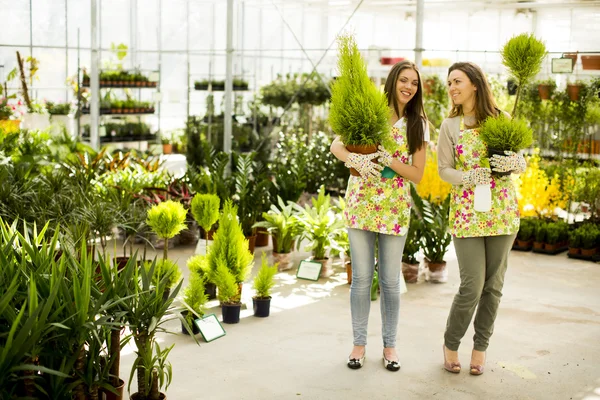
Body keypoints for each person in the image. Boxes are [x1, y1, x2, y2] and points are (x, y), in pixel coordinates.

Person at [330, 60, 429, 371]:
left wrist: (390, 160)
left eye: (414, 82)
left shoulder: (418, 123)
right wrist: (353, 160)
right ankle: (359, 343)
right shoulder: (371, 111)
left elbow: (417, 174)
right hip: (361, 200)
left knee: (388, 280)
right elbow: (336, 144)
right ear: (392, 81)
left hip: (395, 205)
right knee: (360, 278)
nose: (409, 87)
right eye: (404, 80)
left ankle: (390, 345)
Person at [437, 62, 527, 375]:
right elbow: (443, 170)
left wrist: (515, 161)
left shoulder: (502, 119)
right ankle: (451, 343)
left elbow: (520, 162)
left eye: (457, 81)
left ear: (475, 83)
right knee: (472, 285)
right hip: (466, 214)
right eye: (449, 83)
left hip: (501, 213)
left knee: (494, 286)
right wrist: (467, 176)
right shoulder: (450, 125)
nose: (451, 88)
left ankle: (480, 348)